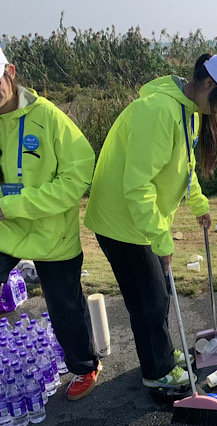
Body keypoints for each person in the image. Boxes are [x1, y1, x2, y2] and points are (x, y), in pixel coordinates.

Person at [84, 54, 217, 391]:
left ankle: (160, 354)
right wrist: (162, 239)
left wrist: (199, 204)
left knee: (156, 294)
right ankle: (157, 373)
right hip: (121, 221)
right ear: (208, 84)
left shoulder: (188, 111)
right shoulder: (159, 111)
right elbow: (137, 186)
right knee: (150, 299)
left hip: (139, 218)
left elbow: (184, 167)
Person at [0, 47, 101, 400]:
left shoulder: (48, 116)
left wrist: (15, 205)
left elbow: (78, 176)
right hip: (5, 230)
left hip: (51, 232)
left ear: (10, 72)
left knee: (64, 307)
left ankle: (85, 367)